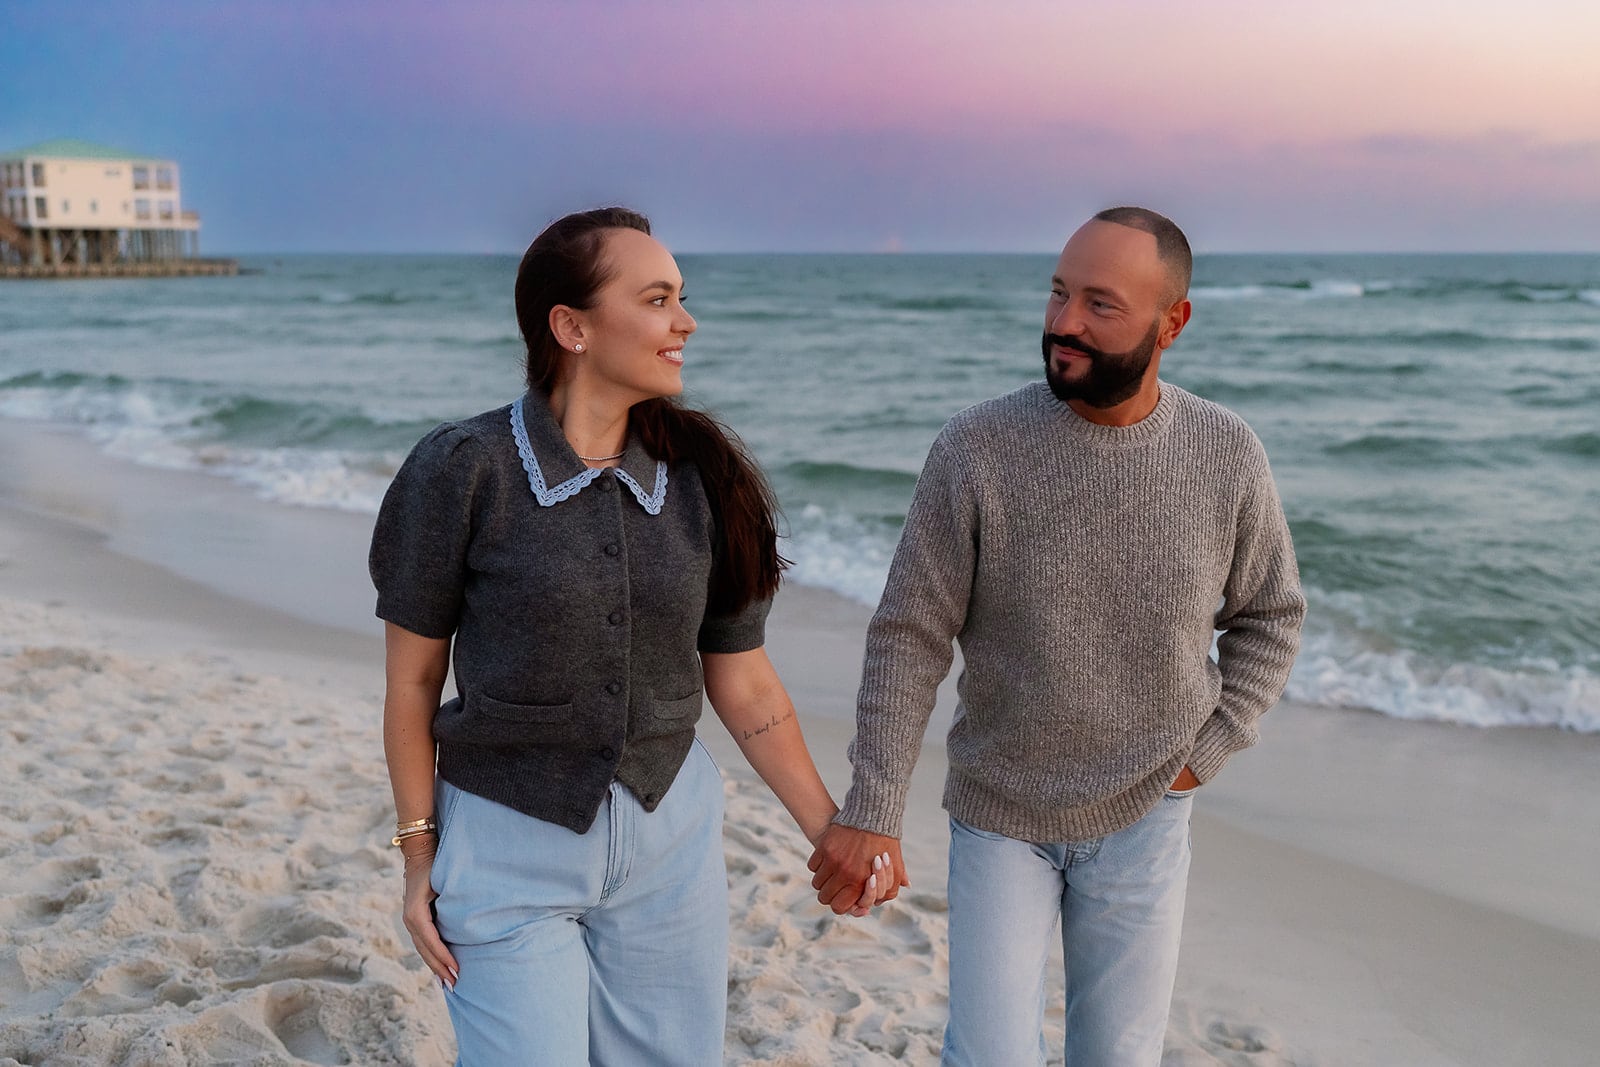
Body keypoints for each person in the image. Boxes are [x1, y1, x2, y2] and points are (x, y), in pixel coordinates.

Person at [370, 207, 889, 1065]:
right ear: (571, 327)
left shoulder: (705, 480)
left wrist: (826, 827)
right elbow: (414, 681)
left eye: (681, 296)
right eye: (656, 299)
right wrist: (417, 853)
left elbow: (745, 681)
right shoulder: (463, 469)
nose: (686, 321)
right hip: (505, 840)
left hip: (669, 841)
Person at [807, 207, 1307, 1065]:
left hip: (1148, 809)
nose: (1064, 321)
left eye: (1099, 303)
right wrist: (875, 805)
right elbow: (910, 634)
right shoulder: (977, 446)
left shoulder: (1226, 453)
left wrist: (1207, 750)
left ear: (1171, 323)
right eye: (1058, 292)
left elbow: (1270, 614)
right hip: (1002, 810)